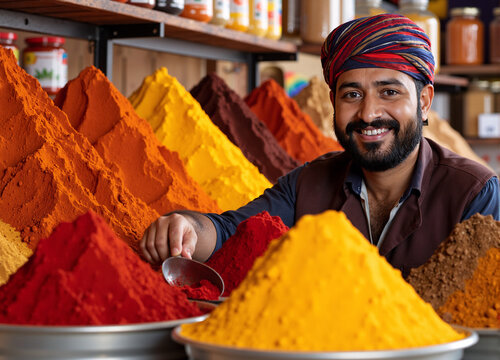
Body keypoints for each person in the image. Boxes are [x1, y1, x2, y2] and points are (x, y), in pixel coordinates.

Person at [140, 14, 500, 276]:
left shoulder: (475, 194)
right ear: (333, 101)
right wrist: (186, 227)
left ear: (424, 102)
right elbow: (228, 232)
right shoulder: (306, 186)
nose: (369, 112)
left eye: (389, 92)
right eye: (352, 94)